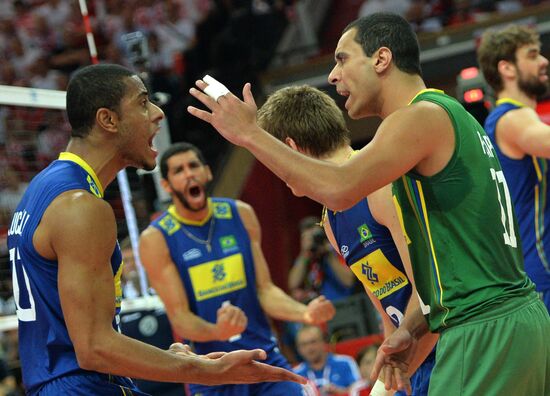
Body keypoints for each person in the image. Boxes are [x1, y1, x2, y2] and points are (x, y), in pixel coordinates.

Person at [187, 12, 550, 395]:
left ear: (381, 59)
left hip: (483, 325)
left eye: (342, 59)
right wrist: (407, 332)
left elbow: (341, 187)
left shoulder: (419, 116)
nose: (332, 75)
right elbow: (440, 270)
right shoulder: (444, 117)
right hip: (509, 319)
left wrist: (249, 134)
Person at [6, 63, 305, 395]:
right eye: (143, 102)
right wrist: (206, 370)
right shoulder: (81, 206)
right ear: (108, 120)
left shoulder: (43, 189)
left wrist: (166, 358)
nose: (158, 113)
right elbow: (94, 347)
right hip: (82, 386)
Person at [257, 84, 438, 395]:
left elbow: (433, 290)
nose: (277, 173)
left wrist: (391, 380)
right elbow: (387, 312)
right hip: (417, 360)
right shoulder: (331, 217)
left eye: (274, 159)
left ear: (291, 148)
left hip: (454, 347)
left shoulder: (380, 185)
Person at [138, 142, 336, 396]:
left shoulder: (240, 215)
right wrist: (216, 331)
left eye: (193, 166)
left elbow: (264, 290)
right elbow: (180, 317)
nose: (189, 174)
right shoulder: (156, 239)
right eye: (178, 170)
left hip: (262, 357)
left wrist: (305, 313)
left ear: (207, 172)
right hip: (211, 370)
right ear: (166, 185)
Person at [477, 24, 550, 312]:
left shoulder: (519, 118)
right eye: (532, 55)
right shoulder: (508, 119)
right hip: (541, 275)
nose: (544, 61)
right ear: (507, 68)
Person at [289, 216, 356, 304]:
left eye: (316, 236)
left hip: (342, 306)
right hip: (317, 308)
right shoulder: (307, 257)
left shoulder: (337, 251)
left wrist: (329, 254)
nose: (314, 241)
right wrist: (304, 253)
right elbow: (293, 284)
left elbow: (349, 281)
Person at [293, 325, 360, 395]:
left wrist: (339, 392)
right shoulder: (295, 374)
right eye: (304, 344)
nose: (309, 348)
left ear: (323, 342)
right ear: (298, 349)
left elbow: (360, 391)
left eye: (313, 342)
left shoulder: (345, 362)